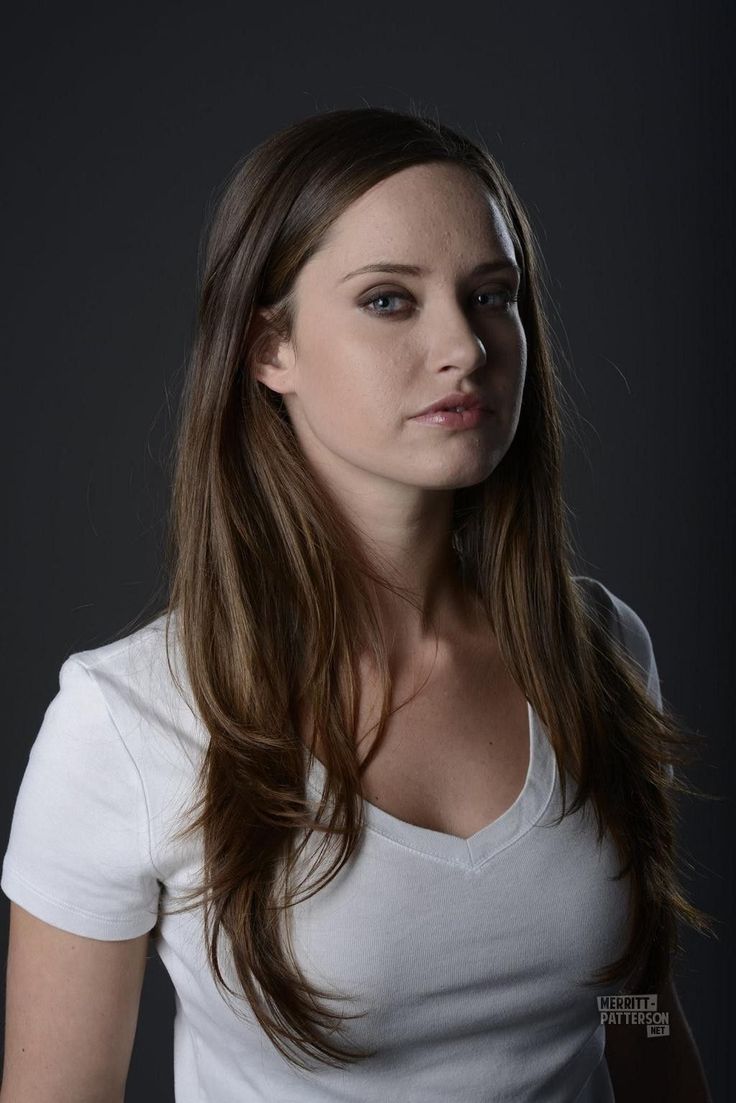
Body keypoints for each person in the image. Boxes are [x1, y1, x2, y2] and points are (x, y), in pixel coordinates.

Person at [0, 106, 713, 1102]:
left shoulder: (594, 649)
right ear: (267, 349)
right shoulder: (127, 723)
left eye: (491, 295)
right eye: (388, 300)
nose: (462, 344)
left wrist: (640, 1034)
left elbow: (629, 1002)